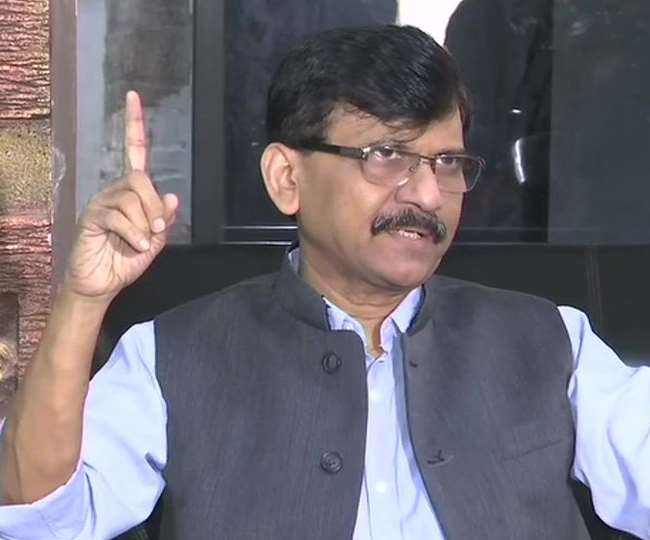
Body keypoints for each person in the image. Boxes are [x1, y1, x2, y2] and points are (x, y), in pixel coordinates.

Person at [0, 25, 648, 540]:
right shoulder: (170, 354)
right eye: (386, 155)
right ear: (288, 179)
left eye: (448, 162)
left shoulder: (551, 340)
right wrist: (82, 300)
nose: (428, 194)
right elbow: (40, 520)